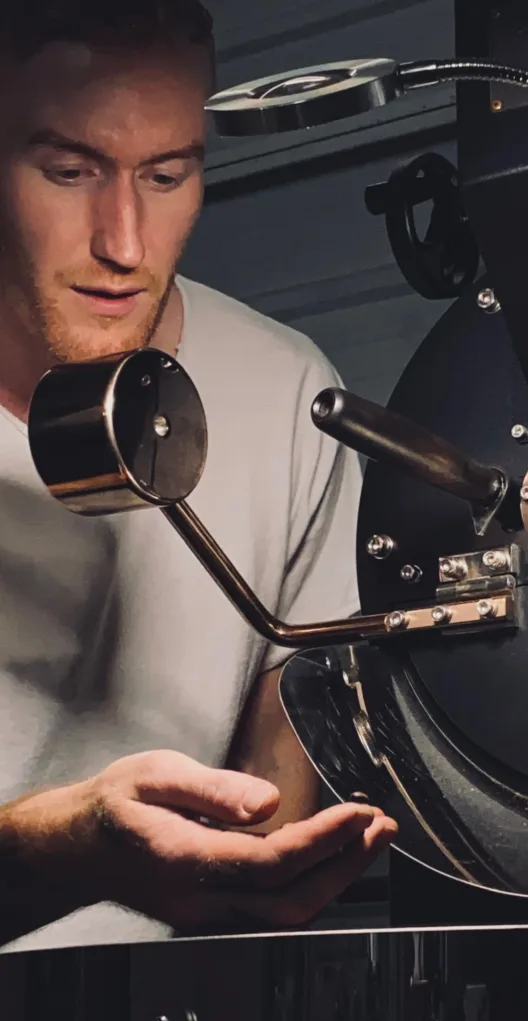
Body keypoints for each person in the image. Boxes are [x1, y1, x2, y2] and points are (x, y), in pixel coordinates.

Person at [0, 0, 397, 951]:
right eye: (69, 171)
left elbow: (267, 822)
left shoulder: (289, 388)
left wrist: (274, 864)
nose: (124, 243)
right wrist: (63, 851)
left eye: (167, 174)